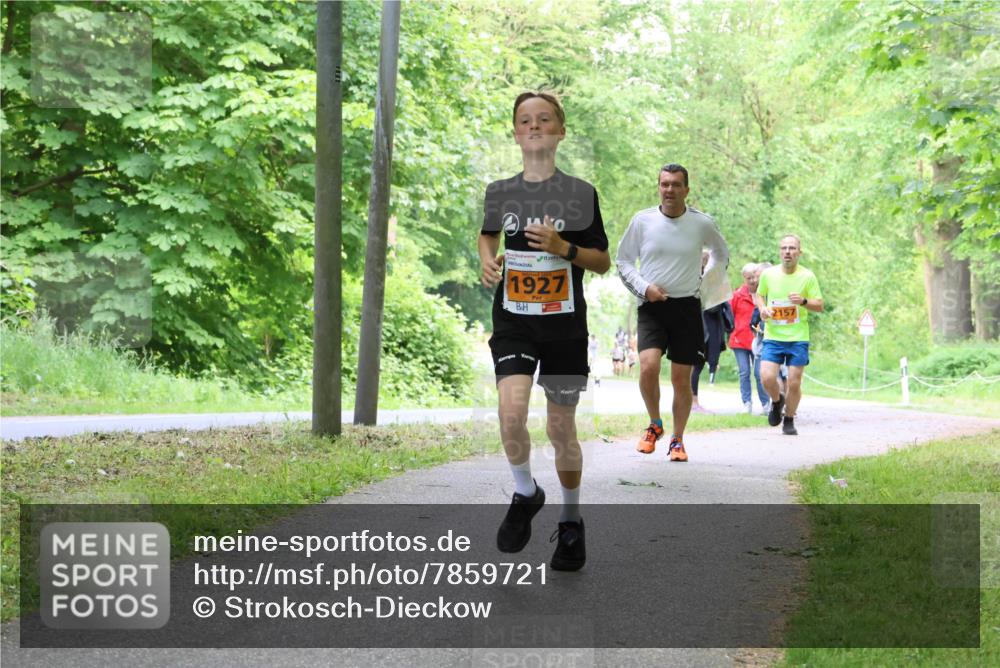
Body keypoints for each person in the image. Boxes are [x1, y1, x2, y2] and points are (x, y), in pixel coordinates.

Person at [479, 91, 610, 570]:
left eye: (544, 119)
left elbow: (602, 261)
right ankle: (525, 492)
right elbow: (488, 232)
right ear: (516, 132)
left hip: (564, 330)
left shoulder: (580, 194)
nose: (534, 126)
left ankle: (571, 523)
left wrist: (564, 248)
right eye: (525, 120)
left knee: (560, 428)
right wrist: (485, 260)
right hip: (514, 323)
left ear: (560, 131)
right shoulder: (500, 192)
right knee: (510, 415)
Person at [616, 163, 730, 462]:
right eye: (664, 184)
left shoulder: (702, 223)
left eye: (676, 185)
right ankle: (655, 424)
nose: (669, 190)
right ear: (659, 187)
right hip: (652, 305)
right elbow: (624, 260)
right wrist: (644, 288)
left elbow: (721, 253)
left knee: (681, 379)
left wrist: (706, 286)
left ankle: (677, 440)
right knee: (648, 366)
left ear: (686, 190)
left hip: (686, 308)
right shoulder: (642, 221)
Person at [754, 235, 824, 435]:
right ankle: (777, 402)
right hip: (773, 335)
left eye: (792, 248)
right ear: (779, 251)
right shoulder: (769, 274)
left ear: (799, 253)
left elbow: (819, 305)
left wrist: (803, 301)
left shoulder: (808, 276)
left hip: (798, 337)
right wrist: (762, 308)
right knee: (766, 377)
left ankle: (789, 419)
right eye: (784, 248)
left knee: (794, 381)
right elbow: (759, 294)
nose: (787, 251)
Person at [730, 263, 769, 414]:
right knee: (744, 372)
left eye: (754, 277)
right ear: (744, 278)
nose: (752, 280)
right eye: (748, 278)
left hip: (759, 340)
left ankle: (766, 404)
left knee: (759, 373)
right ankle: (747, 403)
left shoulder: (764, 293)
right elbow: (729, 314)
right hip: (740, 340)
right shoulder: (737, 295)